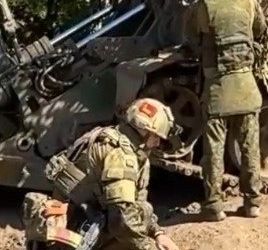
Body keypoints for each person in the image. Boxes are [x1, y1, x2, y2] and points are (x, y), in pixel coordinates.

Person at [24, 97, 182, 250]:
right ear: (144, 131)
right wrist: (148, 246)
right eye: (156, 137)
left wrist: (157, 233)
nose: (158, 143)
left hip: (72, 225)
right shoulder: (120, 155)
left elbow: (137, 205)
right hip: (75, 234)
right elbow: (122, 220)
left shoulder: (109, 136)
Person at [183, 0, 267, 221]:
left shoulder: (204, 5)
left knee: (214, 151)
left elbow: (190, 39)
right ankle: (252, 204)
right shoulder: (249, 0)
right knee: (250, 147)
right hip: (246, 86)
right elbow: (260, 30)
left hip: (218, 88)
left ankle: (213, 206)